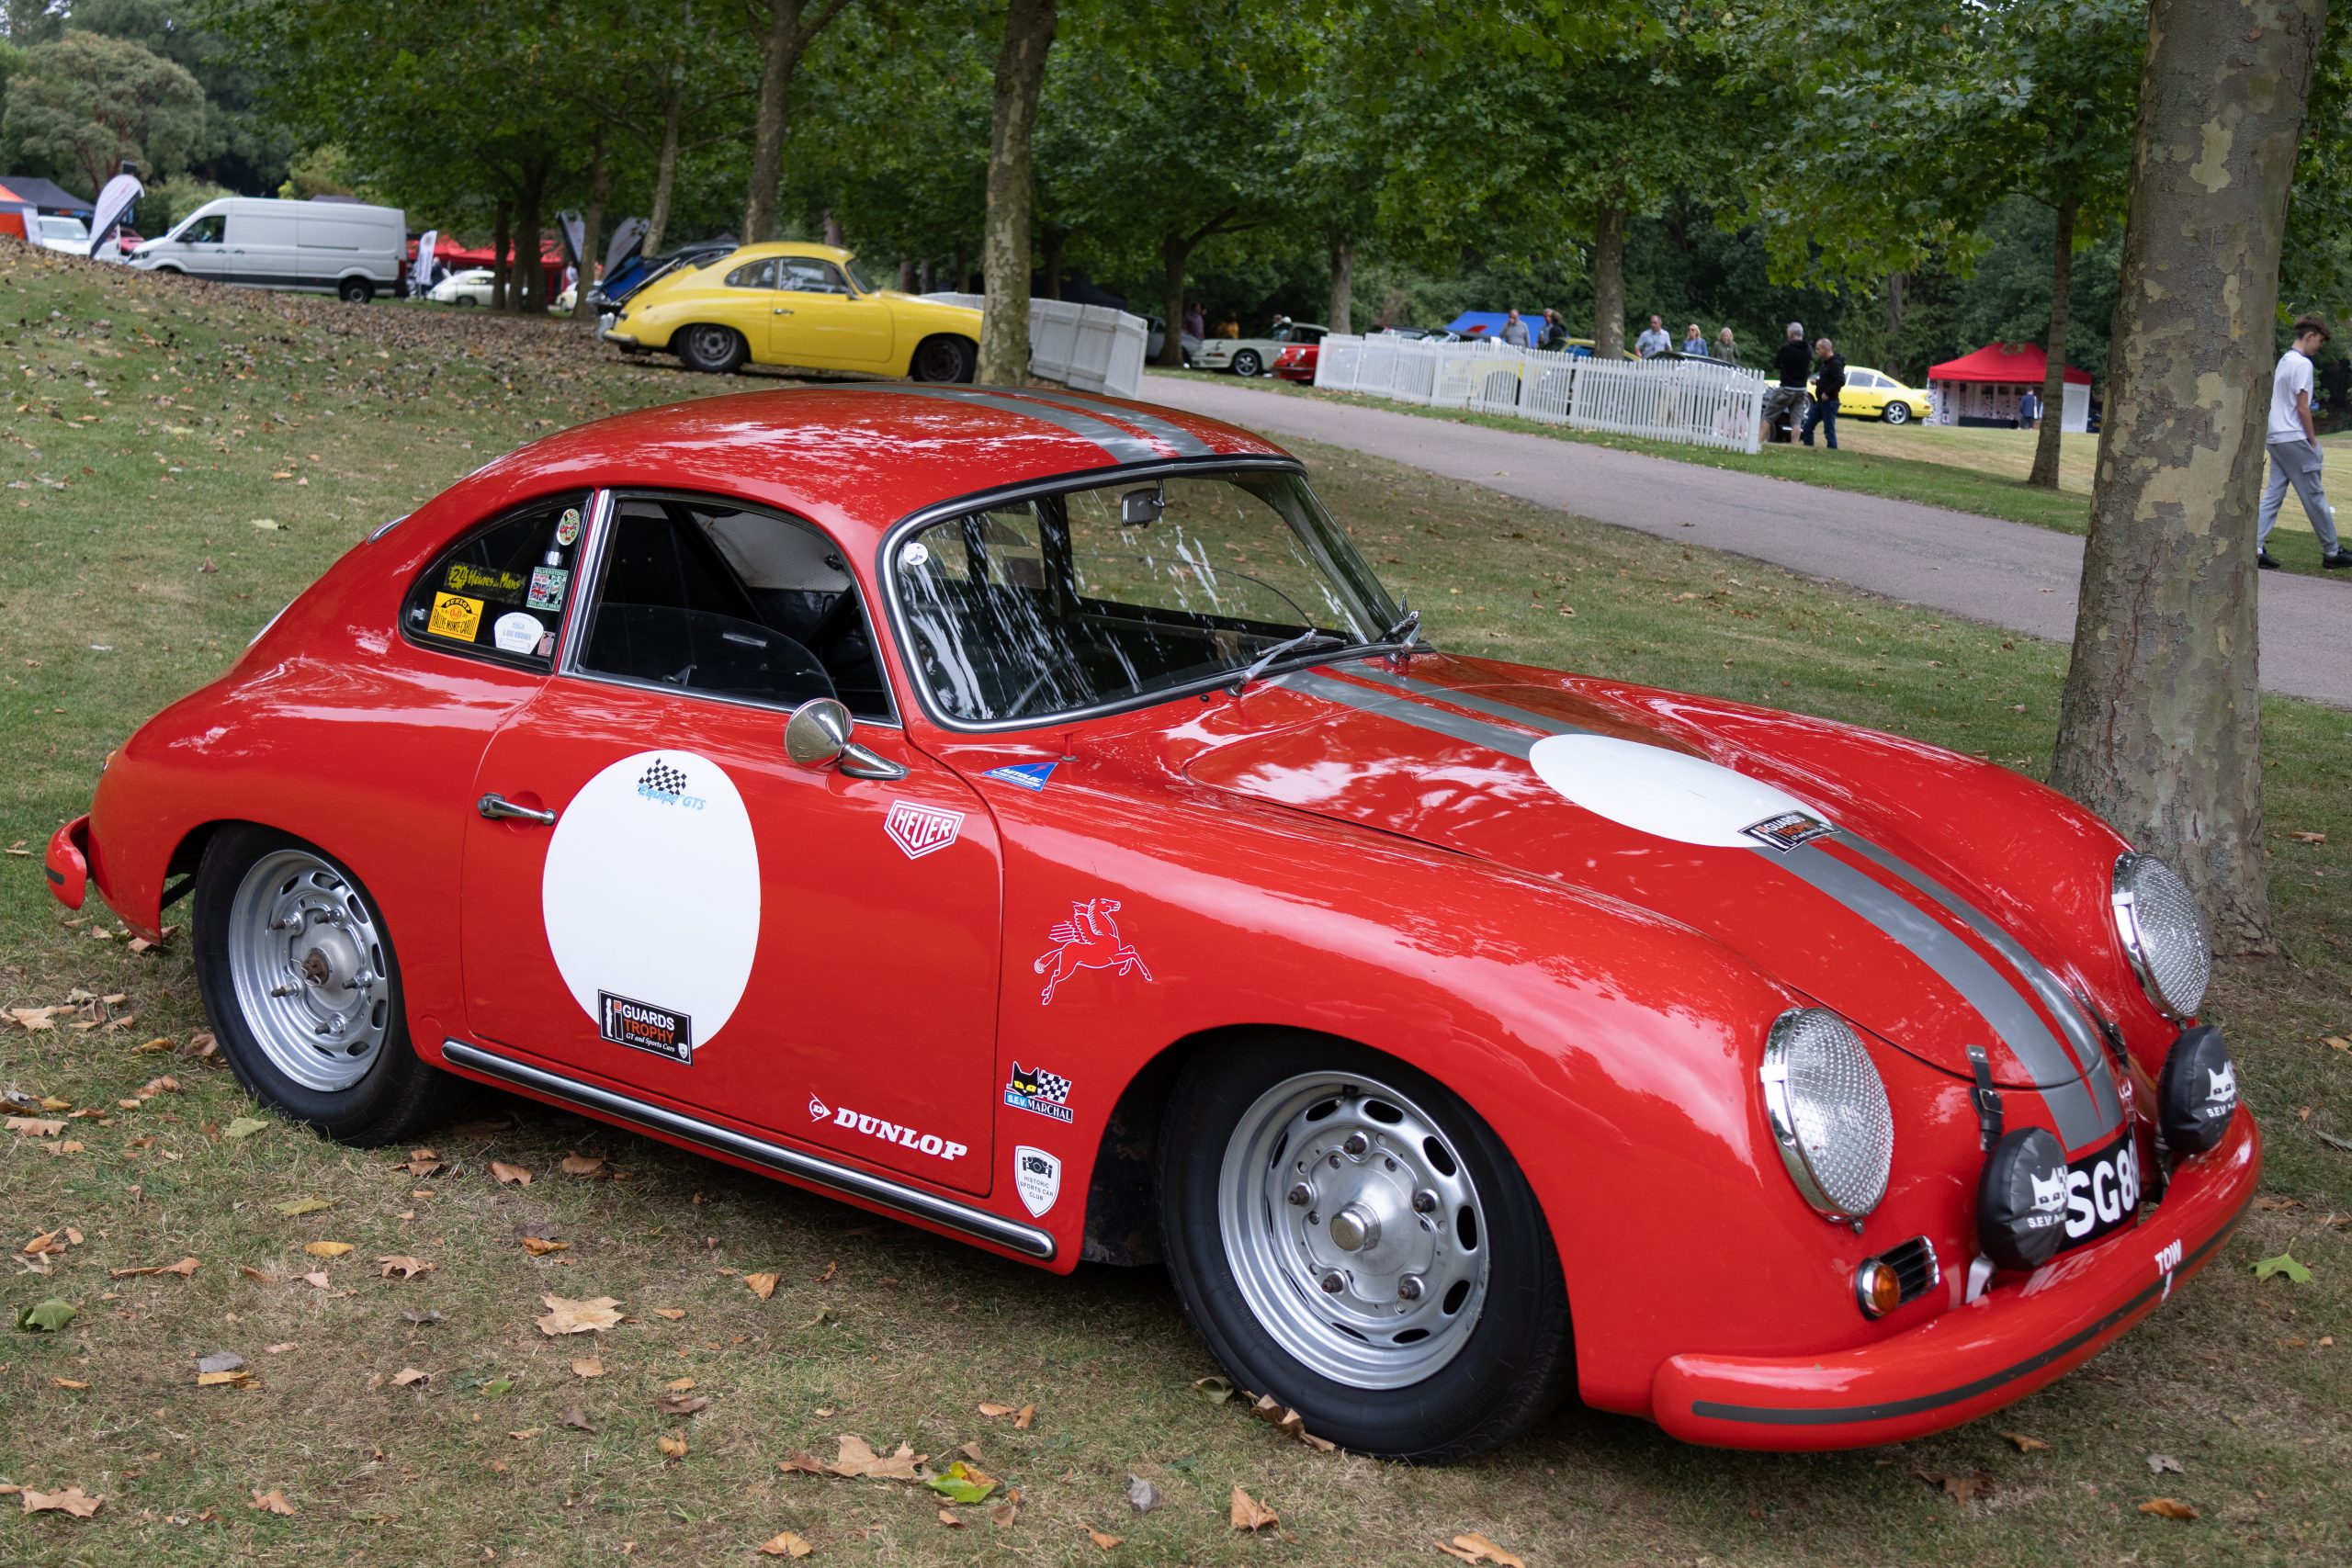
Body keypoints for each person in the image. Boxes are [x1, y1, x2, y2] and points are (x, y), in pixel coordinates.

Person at [2258, 314, 2350, 570]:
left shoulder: (2284, 361)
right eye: (2319, 341)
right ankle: (2332, 551)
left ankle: (2254, 546)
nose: (2319, 347)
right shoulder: (2302, 364)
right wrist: (2312, 441)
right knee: (2314, 495)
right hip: (2293, 437)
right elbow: (2302, 408)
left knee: (2274, 492)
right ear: (2309, 336)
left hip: (2275, 436)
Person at [1763, 322, 1811, 443]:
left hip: (1786, 388)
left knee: (1768, 415)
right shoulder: (1808, 349)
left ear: (1791, 334)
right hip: (1801, 390)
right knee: (1796, 420)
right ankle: (1794, 445)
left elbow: (1776, 364)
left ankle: (1759, 441)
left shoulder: (1787, 348)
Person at [1803, 336, 1846, 450]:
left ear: (1826, 349)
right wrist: (1818, 382)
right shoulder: (1827, 363)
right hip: (1821, 402)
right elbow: (1829, 380)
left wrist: (1827, 393)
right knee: (1807, 427)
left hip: (1830, 402)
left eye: (1818, 349)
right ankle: (1808, 449)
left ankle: (1832, 452)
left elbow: (1841, 380)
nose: (1816, 352)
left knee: (1829, 430)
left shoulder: (1835, 363)